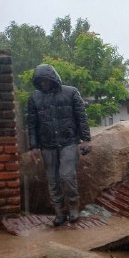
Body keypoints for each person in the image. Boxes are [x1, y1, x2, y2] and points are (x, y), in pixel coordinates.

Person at [27, 64, 92, 226]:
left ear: (53, 78)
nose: (43, 83)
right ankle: (58, 212)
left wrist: (86, 139)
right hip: (47, 145)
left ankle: (73, 208)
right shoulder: (34, 97)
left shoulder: (70, 92)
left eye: (45, 80)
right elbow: (32, 124)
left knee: (67, 176)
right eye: (40, 81)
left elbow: (81, 117)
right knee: (52, 180)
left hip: (68, 142)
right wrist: (34, 147)